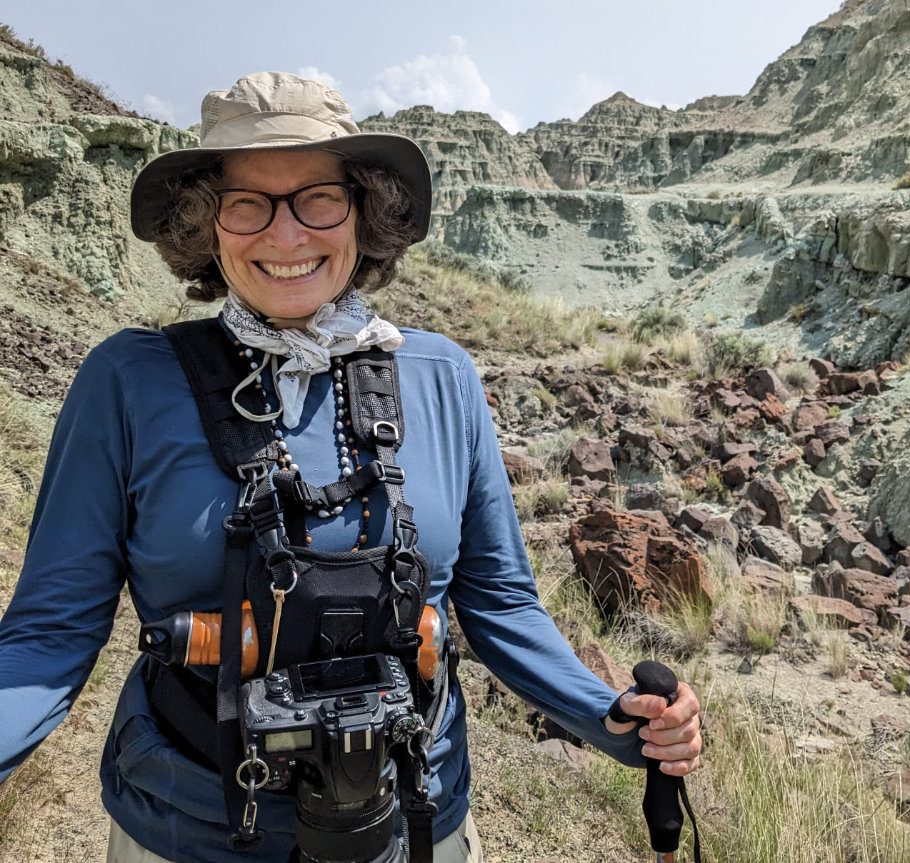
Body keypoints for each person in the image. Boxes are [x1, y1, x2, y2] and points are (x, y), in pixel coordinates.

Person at [0, 72, 702, 863]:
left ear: (364, 211)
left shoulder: (441, 379)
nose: (288, 235)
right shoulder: (128, 383)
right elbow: (50, 631)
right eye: (247, 203)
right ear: (207, 224)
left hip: (415, 819)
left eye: (318, 199)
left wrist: (609, 713)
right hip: (188, 829)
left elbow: (502, 606)